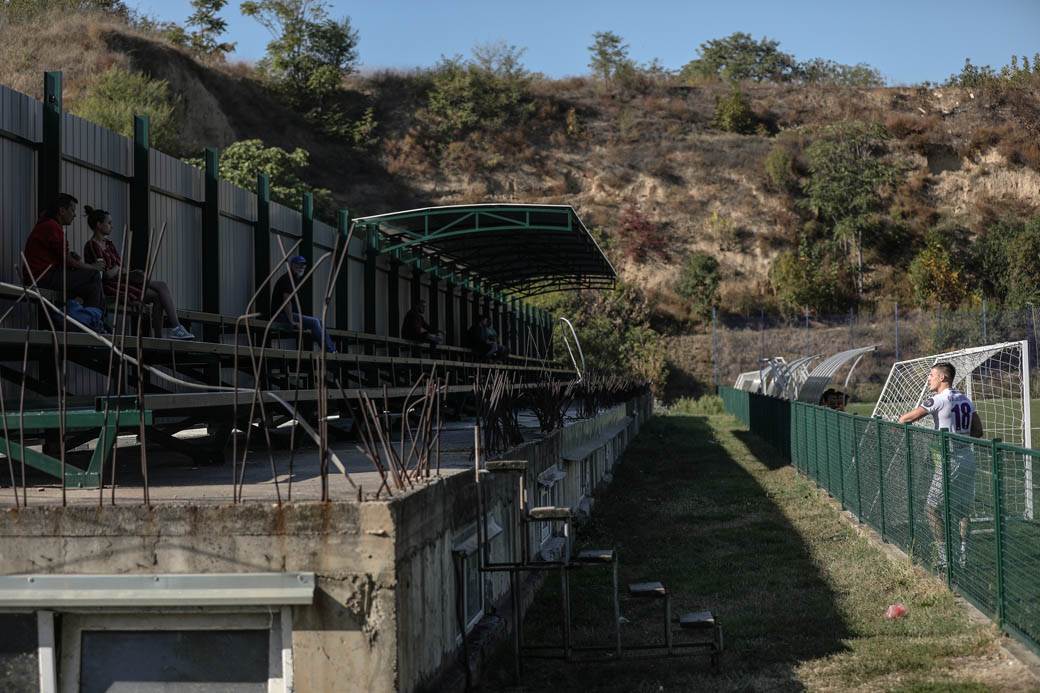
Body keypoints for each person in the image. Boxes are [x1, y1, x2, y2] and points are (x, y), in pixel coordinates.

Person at [898, 362, 984, 572]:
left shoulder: (937, 399)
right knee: (962, 510)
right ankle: (964, 556)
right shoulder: (965, 398)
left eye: (932, 375)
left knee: (931, 508)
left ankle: (946, 558)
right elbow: (979, 431)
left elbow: (905, 418)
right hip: (968, 459)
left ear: (943, 378)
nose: (929, 379)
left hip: (949, 460)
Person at [82, 205, 195, 340]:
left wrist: (127, 272)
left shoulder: (109, 244)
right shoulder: (91, 245)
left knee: (159, 292)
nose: (112, 226)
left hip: (122, 279)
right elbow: (105, 274)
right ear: (99, 225)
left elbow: (121, 267)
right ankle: (175, 328)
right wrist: (118, 269)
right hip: (110, 286)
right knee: (159, 288)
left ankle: (162, 336)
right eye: (109, 223)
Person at [22, 193, 105, 311]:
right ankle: (91, 320)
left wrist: (72, 257)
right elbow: (67, 260)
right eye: (72, 210)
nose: (75, 215)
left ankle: (85, 318)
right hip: (41, 277)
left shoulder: (47, 225)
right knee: (93, 276)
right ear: (61, 211)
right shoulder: (51, 226)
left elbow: (59, 256)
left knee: (90, 286)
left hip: (43, 275)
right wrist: (92, 267)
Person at [270, 256, 336, 353]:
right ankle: (329, 351)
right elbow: (286, 301)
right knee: (314, 322)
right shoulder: (288, 279)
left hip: (286, 314)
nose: (302, 267)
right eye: (298, 265)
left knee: (320, 322)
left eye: (303, 265)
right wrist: (292, 321)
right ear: (292, 265)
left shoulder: (295, 279)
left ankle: (332, 350)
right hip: (280, 316)